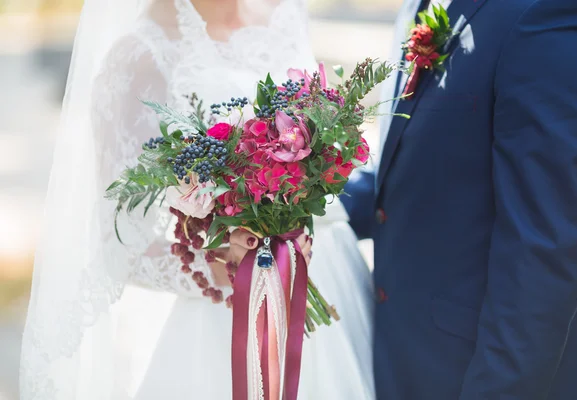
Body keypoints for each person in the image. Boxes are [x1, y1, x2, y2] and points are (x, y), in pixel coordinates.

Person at [19, 0, 375, 399]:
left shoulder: (285, 10)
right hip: (228, 315)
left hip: (330, 270)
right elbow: (117, 244)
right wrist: (222, 264)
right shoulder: (138, 57)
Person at [342, 0, 577, 398]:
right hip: (404, 354)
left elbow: (544, 244)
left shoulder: (547, 12)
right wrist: (302, 200)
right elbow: (428, 166)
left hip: (474, 371)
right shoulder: (425, 5)